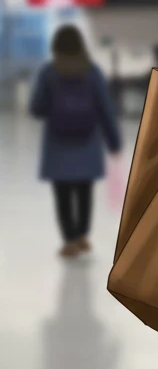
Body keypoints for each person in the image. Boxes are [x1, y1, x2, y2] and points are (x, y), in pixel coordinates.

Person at [29, 25, 122, 257]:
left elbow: (36, 109)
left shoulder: (49, 72)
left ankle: (69, 239)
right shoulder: (92, 72)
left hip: (58, 144)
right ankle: (82, 236)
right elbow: (105, 110)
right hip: (87, 143)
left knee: (62, 194)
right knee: (84, 191)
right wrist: (114, 142)